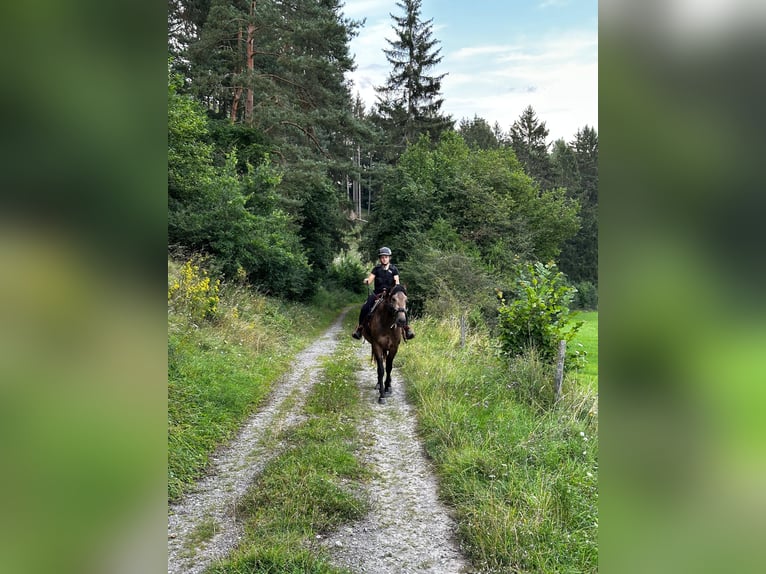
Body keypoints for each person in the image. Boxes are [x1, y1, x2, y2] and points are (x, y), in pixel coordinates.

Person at [351, 247, 415, 340]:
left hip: (390, 294)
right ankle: (360, 328)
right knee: (365, 307)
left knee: (401, 307)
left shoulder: (394, 269)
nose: (384, 259)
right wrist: (366, 281)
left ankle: (406, 328)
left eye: (386, 257)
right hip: (377, 294)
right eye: (382, 257)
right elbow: (370, 279)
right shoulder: (376, 269)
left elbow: (396, 282)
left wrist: (397, 290)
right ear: (380, 259)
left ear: (389, 258)